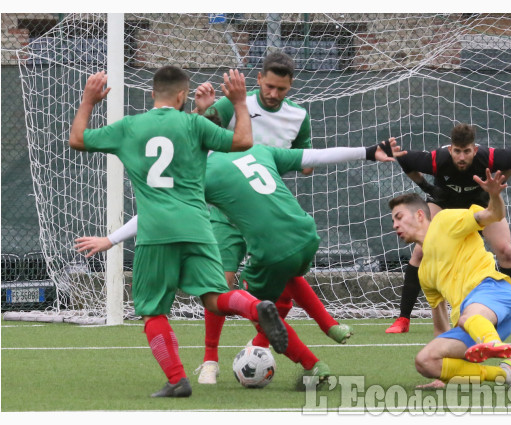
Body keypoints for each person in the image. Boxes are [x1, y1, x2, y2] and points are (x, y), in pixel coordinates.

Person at [76, 139, 401, 388]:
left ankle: (313, 366)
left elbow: (154, 212)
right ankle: (328, 325)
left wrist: (111, 239)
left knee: (239, 303)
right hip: (306, 233)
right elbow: (315, 156)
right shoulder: (259, 149)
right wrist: (370, 151)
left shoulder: (201, 174)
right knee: (285, 279)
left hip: (269, 248)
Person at [69, 66, 288, 398]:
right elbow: (243, 140)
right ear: (183, 96)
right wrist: (240, 102)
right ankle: (254, 308)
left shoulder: (130, 127)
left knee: (153, 310)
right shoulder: (194, 123)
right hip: (198, 227)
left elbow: (78, 139)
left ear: (152, 94)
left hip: (156, 232)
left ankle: (177, 380)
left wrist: (88, 101)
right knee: (215, 298)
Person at [192, 50, 352, 384]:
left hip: (265, 207)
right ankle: (210, 360)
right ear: (259, 80)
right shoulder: (235, 102)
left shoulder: (298, 116)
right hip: (225, 207)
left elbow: (305, 156)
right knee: (221, 282)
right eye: (268, 87)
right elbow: (199, 132)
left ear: (291, 86)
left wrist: (305, 164)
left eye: (281, 89)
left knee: (279, 273)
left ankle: (276, 341)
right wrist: (203, 109)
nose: (273, 94)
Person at [385, 123, 511, 335]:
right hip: (443, 202)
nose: (462, 157)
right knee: (420, 251)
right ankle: (403, 319)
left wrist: (496, 187)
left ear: (475, 149)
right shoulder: (438, 159)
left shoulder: (488, 158)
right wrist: (427, 187)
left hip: (480, 205)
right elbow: (405, 160)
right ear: (450, 149)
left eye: (467, 151)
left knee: (506, 251)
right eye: (457, 151)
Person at [388, 170, 511, 390]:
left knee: (467, 315)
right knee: (425, 361)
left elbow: (493, 215)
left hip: (494, 292)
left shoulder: (444, 221)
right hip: (474, 325)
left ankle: (493, 343)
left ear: (420, 216)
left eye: (399, 217)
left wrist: (494, 195)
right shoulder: (424, 272)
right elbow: (440, 325)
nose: (394, 225)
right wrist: (442, 374)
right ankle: (505, 374)